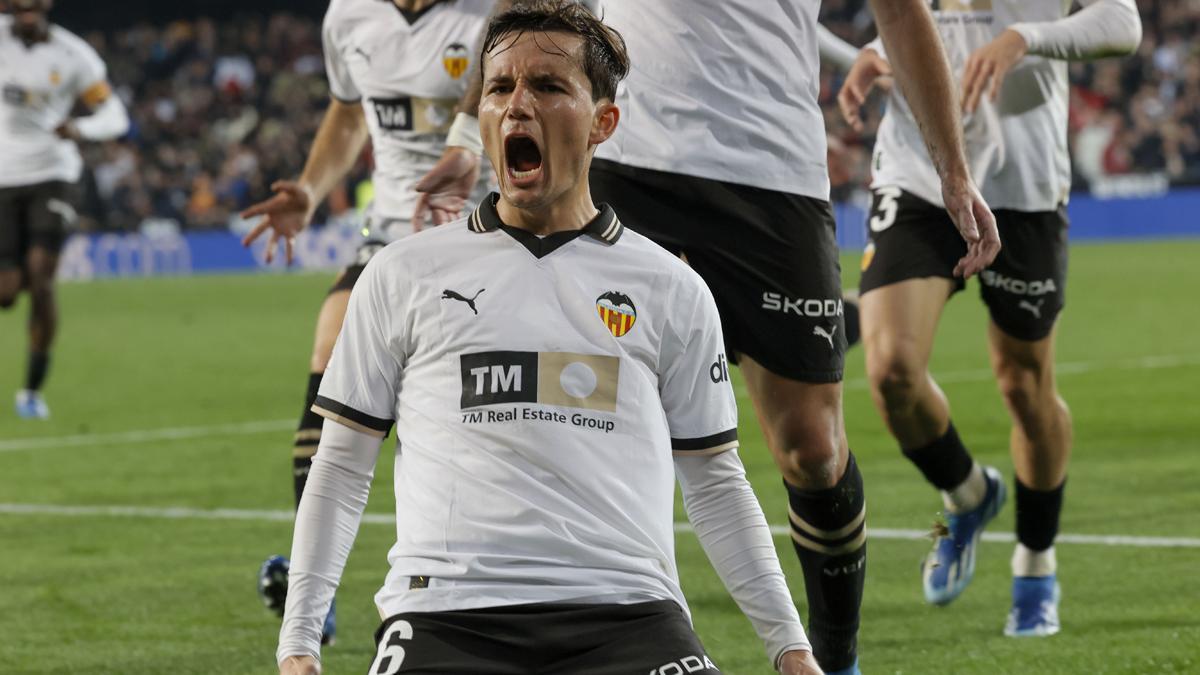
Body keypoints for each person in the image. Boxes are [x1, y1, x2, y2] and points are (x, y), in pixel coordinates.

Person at [417, 1, 1003, 673]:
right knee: (574, 406)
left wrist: (952, 172)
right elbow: (527, 12)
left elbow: (902, 14)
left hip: (771, 171)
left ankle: (833, 659)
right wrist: (468, 134)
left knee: (811, 448)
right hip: (624, 158)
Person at [276, 3, 824, 674]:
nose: (515, 106)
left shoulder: (670, 289)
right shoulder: (402, 273)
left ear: (604, 122)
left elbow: (714, 482)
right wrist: (297, 643)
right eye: (500, 87)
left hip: (630, 617)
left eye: (548, 86)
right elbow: (340, 466)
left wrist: (790, 647)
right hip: (444, 616)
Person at [838, 0, 1141, 636]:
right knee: (891, 369)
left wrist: (1021, 39)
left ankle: (1036, 560)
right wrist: (878, 52)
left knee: (1024, 386)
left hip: (1022, 185)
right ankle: (969, 494)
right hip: (918, 171)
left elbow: (1123, 23)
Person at [240, 0, 496, 641]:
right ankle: (312, 587)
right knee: (329, 360)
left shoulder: (492, 11)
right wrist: (310, 188)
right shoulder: (349, 17)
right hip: (387, 233)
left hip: (489, 228)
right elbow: (351, 109)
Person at [0, 0, 128, 419]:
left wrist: (80, 128)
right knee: (6, 290)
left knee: (41, 278)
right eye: (17, 7)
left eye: (32, 5)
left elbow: (114, 113)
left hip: (52, 172)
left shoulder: (73, 56)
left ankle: (32, 392)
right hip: (3, 176)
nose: (25, 12)